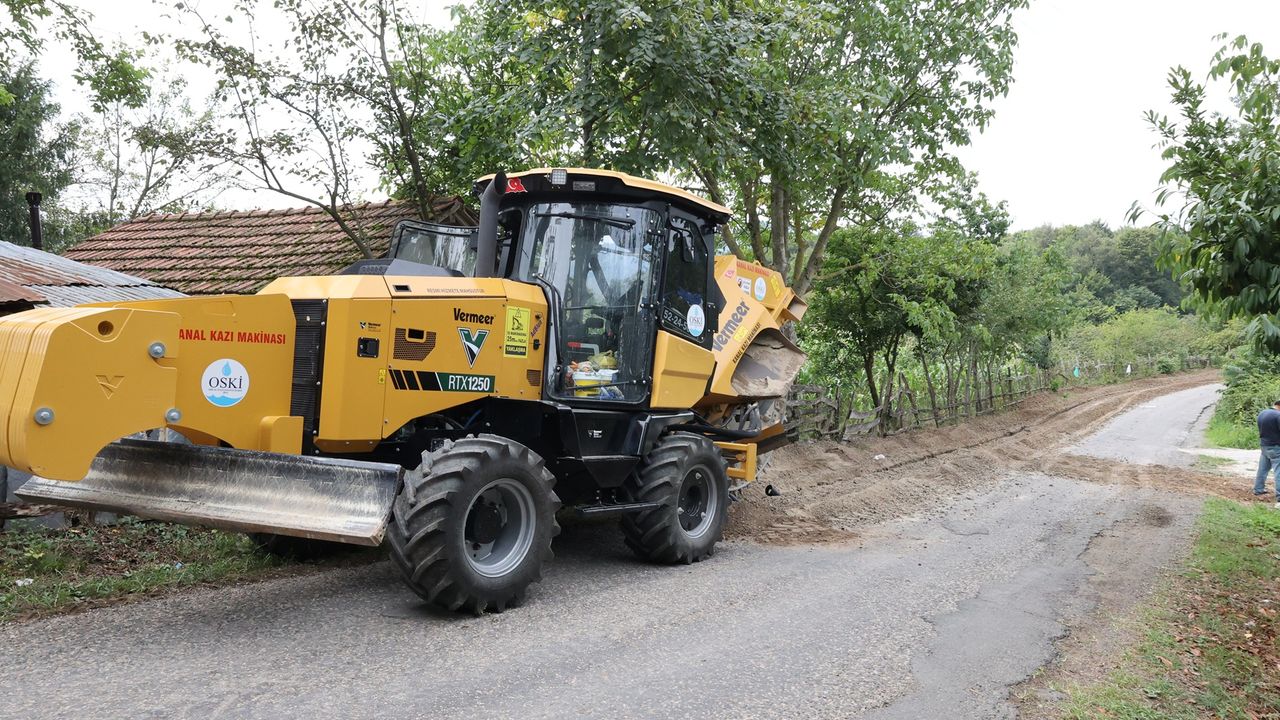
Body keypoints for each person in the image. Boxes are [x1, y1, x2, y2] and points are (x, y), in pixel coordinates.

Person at [1254, 399, 1280, 507]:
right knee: (1278, 471)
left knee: (1263, 469)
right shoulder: (1278, 416)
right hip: (1276, 447)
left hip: (1264, 445)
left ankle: (1258, 489)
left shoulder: (1262, 413)